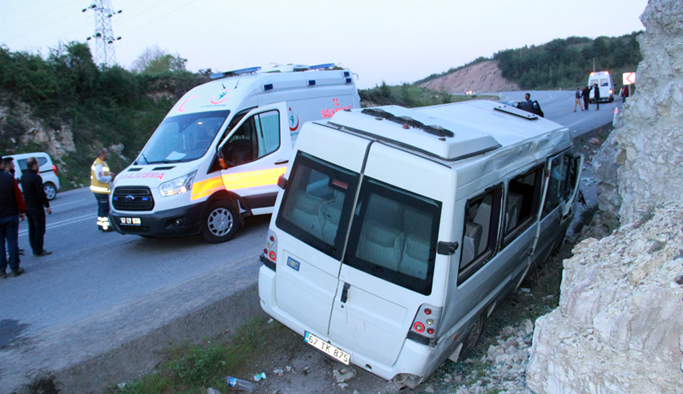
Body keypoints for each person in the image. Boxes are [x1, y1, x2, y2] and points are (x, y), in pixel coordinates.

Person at [0, 155, 27, 278]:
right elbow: (18, 196)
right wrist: (22, 211)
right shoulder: (9, 178)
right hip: (10, 214)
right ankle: (15, 267)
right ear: (1, 165)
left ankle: (1, 270)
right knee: (12, 241)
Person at [21, 157, 52, 256]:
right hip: (36, 206)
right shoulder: (36, 178)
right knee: (40, 228)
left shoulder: (24, 176)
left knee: (32, 227)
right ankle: (38, 249)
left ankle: (34, 247)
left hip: (28, 206)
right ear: (34, 165)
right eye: (38, 164)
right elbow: (41, 193)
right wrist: (47, 205)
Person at [91, 148, 115, 231]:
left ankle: (100, 225)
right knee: (105, 208)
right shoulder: (99, 164)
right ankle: (105, 227)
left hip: (98, 190)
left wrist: (109, 174)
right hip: (100, 191)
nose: (108, 154)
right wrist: (110, 177)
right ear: (101, 155)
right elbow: (100, 177)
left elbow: (102, 173)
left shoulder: (101, 163)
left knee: (100, 208)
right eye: (106, 153)